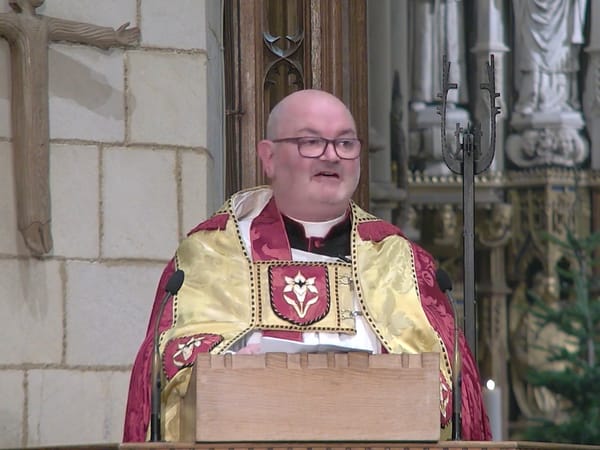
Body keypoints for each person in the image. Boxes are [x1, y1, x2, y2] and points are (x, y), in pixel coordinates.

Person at [123, 89, 491, 442]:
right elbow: (168, 371)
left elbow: (451, 387)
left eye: (345, 144)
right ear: (268, 157)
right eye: (311, 142)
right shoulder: (212, 253)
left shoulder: (401, 261)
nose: (331, 156)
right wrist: (233, 366)